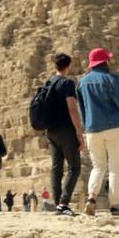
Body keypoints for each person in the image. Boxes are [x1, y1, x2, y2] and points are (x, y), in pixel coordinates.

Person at [78, 48, 119, 216]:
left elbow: (83, 109)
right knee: (115, 168)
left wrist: (86, 128)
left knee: (97, 166)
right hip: (113, 128)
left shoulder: (82, 82)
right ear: (105, 62)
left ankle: (91, 197)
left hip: (92, 130)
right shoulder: (111, 79)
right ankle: (114, 206)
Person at [38, 53, 83, 216]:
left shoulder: (48, 83)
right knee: (75, 167)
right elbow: (72, 108)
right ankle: (63, 203)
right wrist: (79, 131)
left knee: (56, 169)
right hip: (65, 129)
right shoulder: (67, 83)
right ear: (68, 66)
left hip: (50, 131)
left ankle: (58, 204)